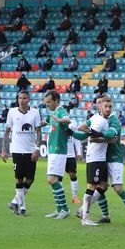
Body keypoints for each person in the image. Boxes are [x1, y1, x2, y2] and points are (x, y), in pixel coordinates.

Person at [0, 90, 42, 216]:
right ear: (17, 99)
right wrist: (3, 149)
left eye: (24, 98)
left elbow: (39, 132)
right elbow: (7, 131)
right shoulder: (12, 112)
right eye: (20, 98)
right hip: (17, 151)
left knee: (30, 179)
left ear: (28, 100)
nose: (22, 100)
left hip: (30, 151)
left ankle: (14, 201)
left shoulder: (35, 112)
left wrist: (37, 148)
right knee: (19, 179)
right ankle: (22, 207)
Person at [73, 96, 113, 226]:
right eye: (105, 106)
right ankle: (85, 217)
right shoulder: (100, 120)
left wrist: (93, 133)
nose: (108, 109)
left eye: (110, 107)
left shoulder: (97, 119)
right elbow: (86, 132)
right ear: (100, 107)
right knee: (91, 186)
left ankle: (82, 211)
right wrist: (97, 136)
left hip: (100, 158)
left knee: (103, 186)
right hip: (95, 158)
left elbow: (82, 127)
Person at [41, 91, 73, 219]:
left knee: (52, 180)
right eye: (46, 102)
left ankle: (65, 209)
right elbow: (44, 122)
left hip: (59, 150)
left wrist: (61, 120)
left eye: (49, 102)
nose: (47, 104)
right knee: (52, 180)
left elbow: (67, 119)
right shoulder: (52, 113)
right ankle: (59, 209)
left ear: (56, 100)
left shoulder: (60, 111)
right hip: (53, 151)